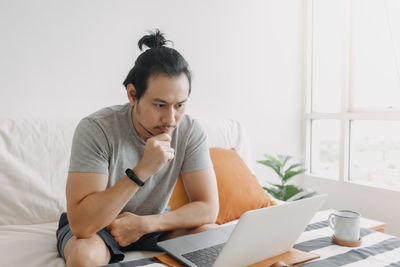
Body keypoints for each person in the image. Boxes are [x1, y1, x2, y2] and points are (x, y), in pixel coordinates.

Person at [56, 29, 219, 267]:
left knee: (211, 236)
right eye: (160, 105)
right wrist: (142, 170)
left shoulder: (190, 130)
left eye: (180, 105)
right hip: (98, 227)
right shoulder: (97, 129)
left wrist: (146, 224)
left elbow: (208, 209)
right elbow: (82, 224)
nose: (171, 118)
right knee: (83, 257)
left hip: (154, 224)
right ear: (133, 94)